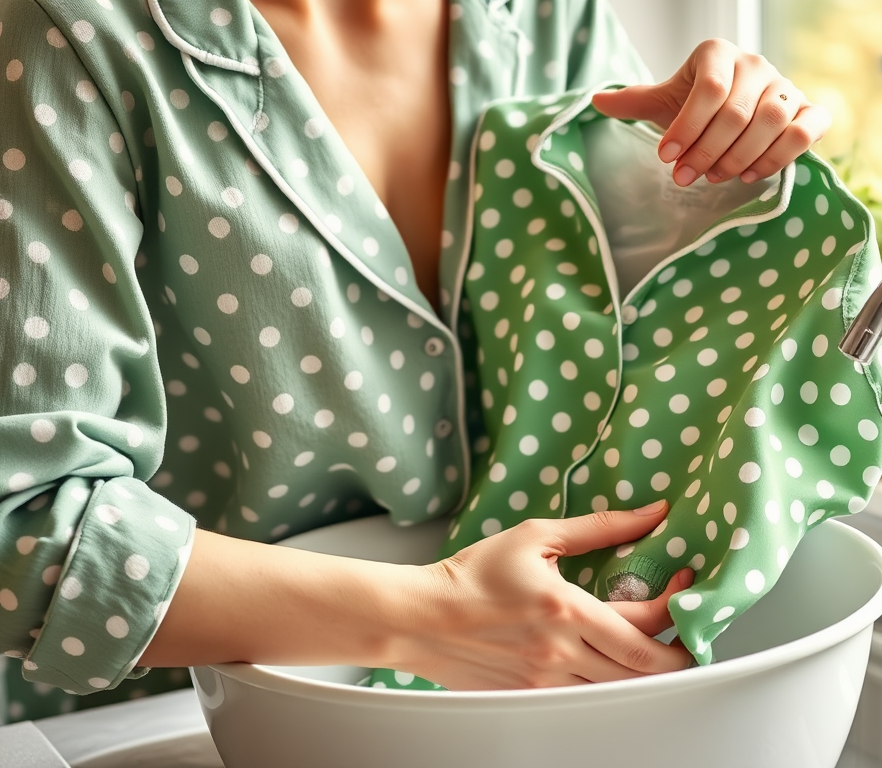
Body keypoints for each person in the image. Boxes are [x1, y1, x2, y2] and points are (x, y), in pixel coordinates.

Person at [0, 0, 830, 722]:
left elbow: (619, 354)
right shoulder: (71, 29)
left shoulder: (546, 12)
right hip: (172, 716)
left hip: (510, 707)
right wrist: (431, 617)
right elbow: (22, 526)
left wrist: (710, 169)